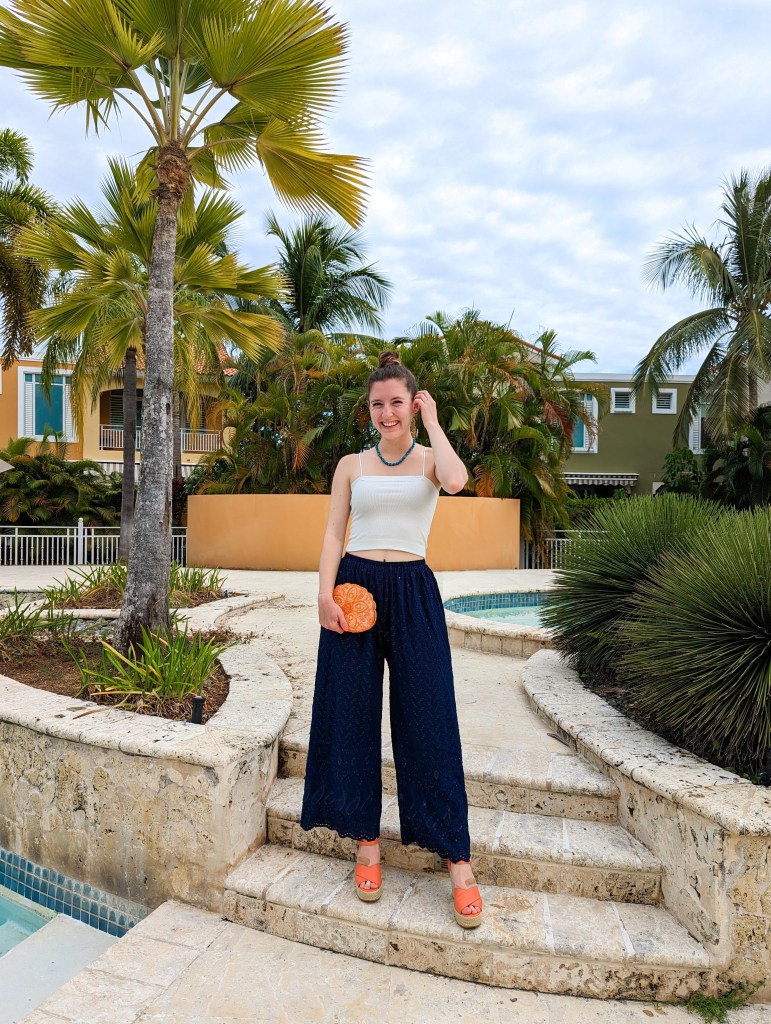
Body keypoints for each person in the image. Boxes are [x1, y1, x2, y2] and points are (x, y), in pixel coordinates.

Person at [299, 351, 483, 927]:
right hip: (355, 588)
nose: (387, 413)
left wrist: (434, 422)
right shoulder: (352, 466)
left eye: (397, 403)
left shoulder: (431, 459)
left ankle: (458, 861)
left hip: (413, 591)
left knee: (429, 718)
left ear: (413, 403)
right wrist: (324, 594)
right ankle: (366, 844)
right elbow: (334, 532)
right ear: (369, 410)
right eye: (378, 405)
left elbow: (456, 482)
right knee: (350, 717)